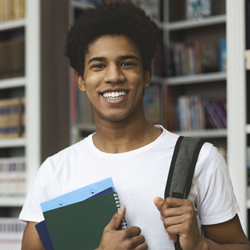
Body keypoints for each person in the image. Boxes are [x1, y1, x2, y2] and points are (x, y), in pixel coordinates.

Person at [20, 2, 250, 250]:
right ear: (81, 80)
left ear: (147, 75)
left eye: (127, 63)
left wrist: (201, 245)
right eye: (98, 65)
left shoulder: (200, 159)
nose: (113, 76)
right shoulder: (56, 171)